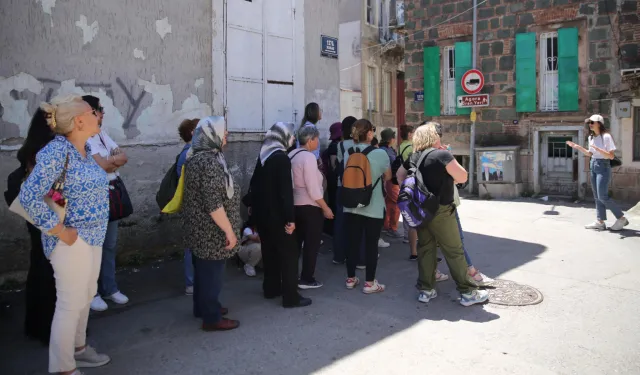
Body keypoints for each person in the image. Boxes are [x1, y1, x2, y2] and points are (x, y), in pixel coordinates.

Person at [19, 94, 111, 374]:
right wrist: (60, 230)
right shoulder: (57, 150)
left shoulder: (82, 149)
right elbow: (28, 196)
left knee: (86, 295)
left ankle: (79, 350)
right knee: (70, 303)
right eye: (93, 112)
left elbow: (60, 191)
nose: (98, 115)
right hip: (71, 241)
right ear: (79, 120)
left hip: (93, 237)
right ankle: (63, 368)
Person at [396, 122, 489, 306]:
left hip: (422, 210)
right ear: (434, 137)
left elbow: (399, 174)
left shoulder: (415, 156)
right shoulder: (442, 155)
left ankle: (426, 290)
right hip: (442, 210)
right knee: (454, 251)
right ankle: (468, 292)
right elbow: (462, 176)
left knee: (426, 249)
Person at [181, 116, 241, 331]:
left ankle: (203, 307)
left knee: (203, 272)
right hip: (210, 231)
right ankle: (212, 318)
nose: (226, 136)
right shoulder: (208, 161)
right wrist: (229, 231)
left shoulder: (200, 157)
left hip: (201, 228)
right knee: (211, 275)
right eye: (223, 132)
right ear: (209, 135)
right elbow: (213, 204)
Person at [4, 109, 56, 345]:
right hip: (49, 215)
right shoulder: (47, 150)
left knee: (40, 266)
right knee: (52, 273)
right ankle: (51, 329)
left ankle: (37, 325)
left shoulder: (32, 147)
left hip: (36, 217)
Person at [250, 122, 312, 308]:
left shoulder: (264, 156)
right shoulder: (281, 158)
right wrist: (290, 219)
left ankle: (271, 288)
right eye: (291, 135)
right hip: (278, 217)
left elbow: (254, 185)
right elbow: (285, 192)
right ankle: (290, 296)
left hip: (263, 216)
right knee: (289, 255)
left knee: (269, 252)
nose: (293, 138)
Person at [83, 96, 130, 312]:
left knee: (109, 245)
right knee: (92, 248)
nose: (103, 113)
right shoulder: (82, 138)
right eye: (100, 109)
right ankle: (90, 293)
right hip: (93, 197)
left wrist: (108, 162)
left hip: (110, 194)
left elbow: (123, 156)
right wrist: (110, 162)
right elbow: (100, 165)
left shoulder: (101, 133)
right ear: (90, 112)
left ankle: (109, 288)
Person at [433, 122, 493, 287]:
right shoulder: (441, 155)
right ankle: (470, 276)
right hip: (446, 205)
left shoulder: (420, 155)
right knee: (456, 242)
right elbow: (461, 177)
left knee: (430, 242)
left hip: (428, 206)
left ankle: (430, 276)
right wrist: (448, 156)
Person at [342, 119, 391, 294]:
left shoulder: (348, 152)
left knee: (352, 243)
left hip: (350, 204)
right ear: (369, 133)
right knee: (371, 245)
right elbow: (388, 176)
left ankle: (350, 278)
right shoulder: (380, 154)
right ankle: (369, 283)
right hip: (373, 205)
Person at [567, 114, 630, 231]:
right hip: (593, 164)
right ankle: (600, 221)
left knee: (602, 196)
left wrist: (599, 150)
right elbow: (590, 154)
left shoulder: (606, 137)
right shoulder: (591, 137)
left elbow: (610, 156)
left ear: (599, 123)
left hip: (603, 166)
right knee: (597, 196)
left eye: (592, 122)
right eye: (589, 122)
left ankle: (621, 218)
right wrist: (577, 147)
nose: (590, 124)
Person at [290, 125, 334, 290]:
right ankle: (307, 278)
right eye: (316, 139)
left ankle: (291, 275)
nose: (318, 142)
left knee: (296, 244)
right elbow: (313, 188)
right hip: (310, 206)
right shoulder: (307, 158)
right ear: (310, 140)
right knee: (311, 244)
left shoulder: (291, 155)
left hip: (295, 205)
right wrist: (325, 207)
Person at [177, 118, 199, 295]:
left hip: (193, 206)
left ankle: (194, 282)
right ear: (193, 132)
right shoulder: (189, 154)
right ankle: (191, 283)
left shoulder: (192, 152)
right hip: (193, 207)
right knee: (192, 246)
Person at [398, 124, 418, 260]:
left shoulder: (401, 146)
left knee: (407, 212)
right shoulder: (411, 148)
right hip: (411, 181)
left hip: (404, 182)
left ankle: (407, 235)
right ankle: (411, 240)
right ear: (410, 134)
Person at [379, 128, 402, 238]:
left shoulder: (386, 149)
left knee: (390, 203)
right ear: (391, 139)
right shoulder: (386, 150)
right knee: (398, 203)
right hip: (391, 180)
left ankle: (387, 225)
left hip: (390, 180)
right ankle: (393, 228)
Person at [321, 122, 342, 235]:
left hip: (331, 179)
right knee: (334, 203)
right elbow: (333, 165)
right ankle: (331, 229)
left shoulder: (334, 144)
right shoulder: (334, 146)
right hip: (333, 179)